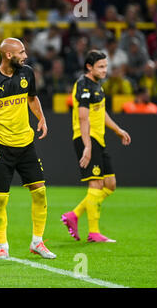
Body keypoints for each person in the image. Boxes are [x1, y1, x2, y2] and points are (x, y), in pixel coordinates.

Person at [0, 37, 56, 260]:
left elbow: (32, 98)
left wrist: (41, 117)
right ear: (9, 55)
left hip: (25, 144)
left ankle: (37, 242)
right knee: (0, 199)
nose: (25, 55)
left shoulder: (27, 73)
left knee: (39, 192)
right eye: (21, 52)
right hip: (0, 147)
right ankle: (2, 246)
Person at [61, 50, 131, 243]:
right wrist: (87, 146)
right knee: (96, 184)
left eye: (106, 66)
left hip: (98, 139)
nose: (105, 70)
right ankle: (94, 232)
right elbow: (83, 118)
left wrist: (117, 129)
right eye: (101, 66)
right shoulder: (83, 85)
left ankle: (74, 215)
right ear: (89, 67)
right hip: (87, 139)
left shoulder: (97, 86)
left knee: (110, 184)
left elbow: (101, 112)